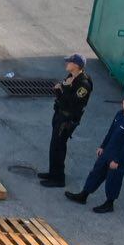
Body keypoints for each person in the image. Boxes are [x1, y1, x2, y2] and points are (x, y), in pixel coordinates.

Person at [68, 92, 124, 213]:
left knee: (113, 180)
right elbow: (111, 132)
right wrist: (102, 146)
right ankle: (83, 195)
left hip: (118, 157)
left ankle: (109, 204)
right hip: (108, 151)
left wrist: (118, 161)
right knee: (96, 173)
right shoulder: (119, 114)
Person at [42, 53, 95, 187]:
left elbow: (71, 103)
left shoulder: (83, 84)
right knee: (54, 146)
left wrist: (64, 88)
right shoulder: (71, 77)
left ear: (76, 65)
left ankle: (59, 179)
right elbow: (62, 97)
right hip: (60, 115)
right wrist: (59, 90)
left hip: (67, 120)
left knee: (59, 147)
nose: (66, 63)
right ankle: (52, 173)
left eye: (69, 62)